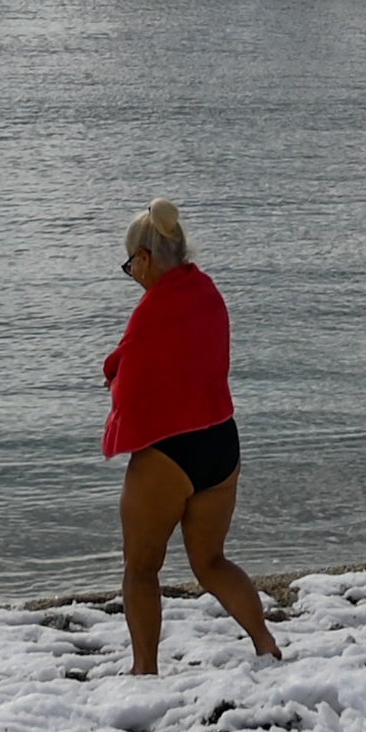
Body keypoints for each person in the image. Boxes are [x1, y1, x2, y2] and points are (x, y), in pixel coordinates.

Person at [100, 196, 280, 674]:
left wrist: (114, 371)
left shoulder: (152, 309)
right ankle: (265, 644)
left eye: (130, 265)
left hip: (170, 452)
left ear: (144, 258)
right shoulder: (208, 293)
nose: (132, 276)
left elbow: (131, 392)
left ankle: (145, 670)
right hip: (221, 442)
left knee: (141, 569)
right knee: (211, 562)